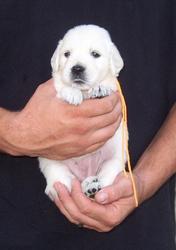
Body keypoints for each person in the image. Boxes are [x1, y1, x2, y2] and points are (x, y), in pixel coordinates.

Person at [0, 0, 175, 249]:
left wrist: (143, 182)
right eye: (68, 55)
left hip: (139, 233)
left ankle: (100, 185)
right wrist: (13, 132)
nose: (78, 65)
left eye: (94, 55)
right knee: (56, 173)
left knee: (112, 163)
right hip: (15, 228)